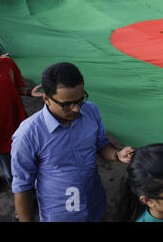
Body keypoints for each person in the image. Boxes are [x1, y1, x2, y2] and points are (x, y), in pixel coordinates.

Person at [11, 62, 135, 222]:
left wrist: (117, 155)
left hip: (94, 202)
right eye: (67, 104)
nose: (76, 109)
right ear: (46, 99)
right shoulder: (28, 134)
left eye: (80, 99)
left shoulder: (91, 111)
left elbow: (101, 144)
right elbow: (22, 187)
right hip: (60, 213)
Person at [0, 49, 41, 189]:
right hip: (1, 139)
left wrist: (29, 92)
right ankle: (25, 203)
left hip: (19, 126)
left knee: (33, 164)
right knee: (13, 174)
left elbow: (16, 87)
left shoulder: (7, 63)